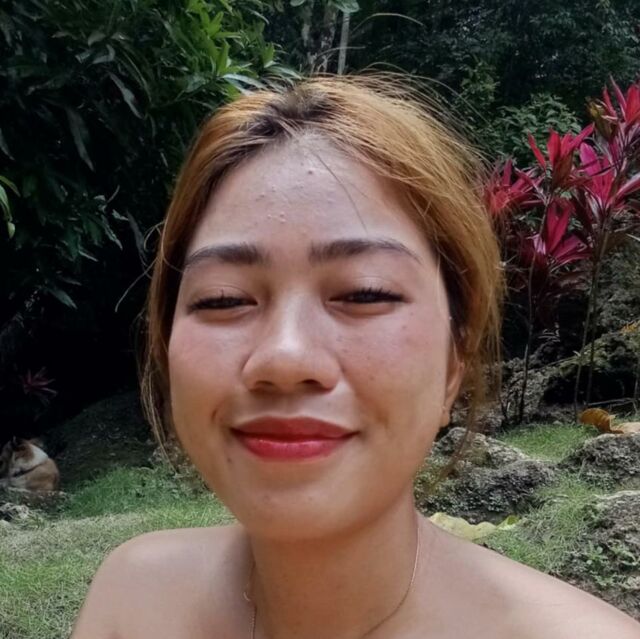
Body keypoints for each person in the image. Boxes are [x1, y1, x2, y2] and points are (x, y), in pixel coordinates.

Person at [71, 75, 640, 639]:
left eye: (366, 293)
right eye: (224, 299)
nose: (284, 358)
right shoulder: (134, 600)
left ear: (455, 362)